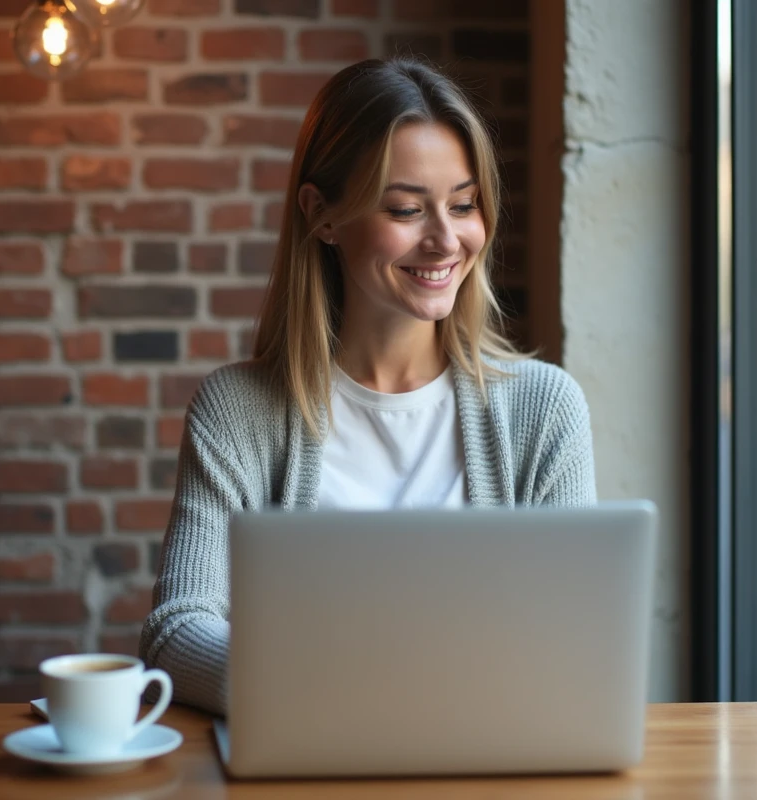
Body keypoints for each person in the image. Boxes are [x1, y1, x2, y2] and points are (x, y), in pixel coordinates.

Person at [140, 56, 598, 715]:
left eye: (463, 205)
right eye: (406, 209)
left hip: (484, 752)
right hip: (308, 751)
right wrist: (333, 692)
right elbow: (177, 629)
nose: (446, 240)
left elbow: (575, 638)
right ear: (322, 215)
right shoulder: (237, 411)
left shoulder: (545, 409)